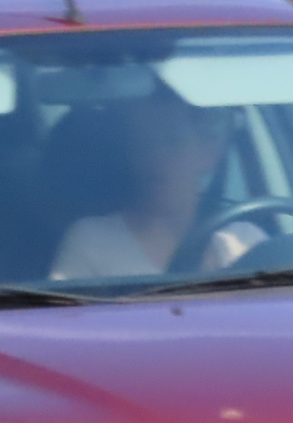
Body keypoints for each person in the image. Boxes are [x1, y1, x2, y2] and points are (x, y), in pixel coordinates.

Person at [50, 85, 263, 281]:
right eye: (143, 144)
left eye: (172, 142)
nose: (156, 160)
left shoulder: (243, 242)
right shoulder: (92, 241)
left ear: (209, 152)